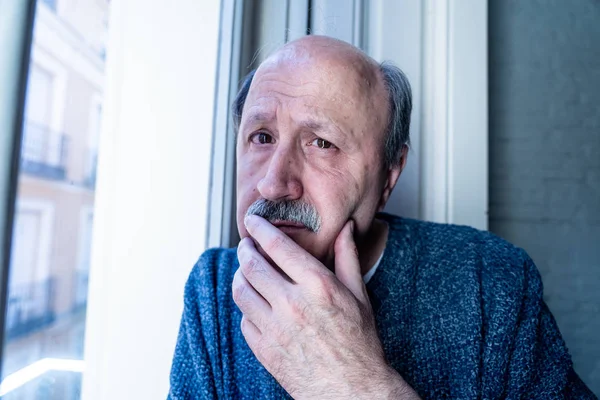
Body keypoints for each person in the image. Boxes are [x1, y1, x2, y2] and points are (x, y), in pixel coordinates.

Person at [168, 35, 595, 399]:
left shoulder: (491, 280)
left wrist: (355, 382)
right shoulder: (213, 288)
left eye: (321, 143)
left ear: (389, 175)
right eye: (261, 137)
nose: (273, 184)